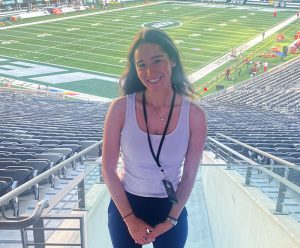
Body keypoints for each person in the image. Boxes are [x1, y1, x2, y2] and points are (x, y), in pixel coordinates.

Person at [102, 28, 207, 248]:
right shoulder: (121, 108)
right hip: (126, 205)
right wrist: (130, 220)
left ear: (173, 61)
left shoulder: (194, 115)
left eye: (157, 61)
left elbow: (189, 174)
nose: (150, 71)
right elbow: (108, 169)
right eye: (141, 65)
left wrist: (171, 219)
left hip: (170, 208)